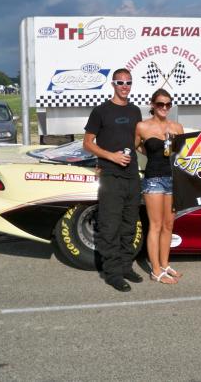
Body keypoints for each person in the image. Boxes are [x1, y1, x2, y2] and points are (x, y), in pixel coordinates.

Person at [83, 68, 143, 292]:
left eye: (128, 82)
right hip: (110, 175)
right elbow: (87, 143)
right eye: (120, 82)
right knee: (110, 226)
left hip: (132, 175)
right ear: (113, 84)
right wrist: (111, 157)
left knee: (129, 225)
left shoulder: (135, 111)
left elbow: (135, 142)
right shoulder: (101, 111)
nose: (125, 86)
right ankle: (112, 273)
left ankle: (126, 266)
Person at [135, 89, 184, 284]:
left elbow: (180, 154)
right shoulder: (142, 126)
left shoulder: (177, 127)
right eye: (160, 104)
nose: (164, 108)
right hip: (153, 179)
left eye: (167, 104)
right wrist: (150, 153)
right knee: (155, 225)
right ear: (152, 105)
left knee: (168, 225)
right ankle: (155, 270)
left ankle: (165, 264)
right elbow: (134, 146)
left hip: (173, 179)